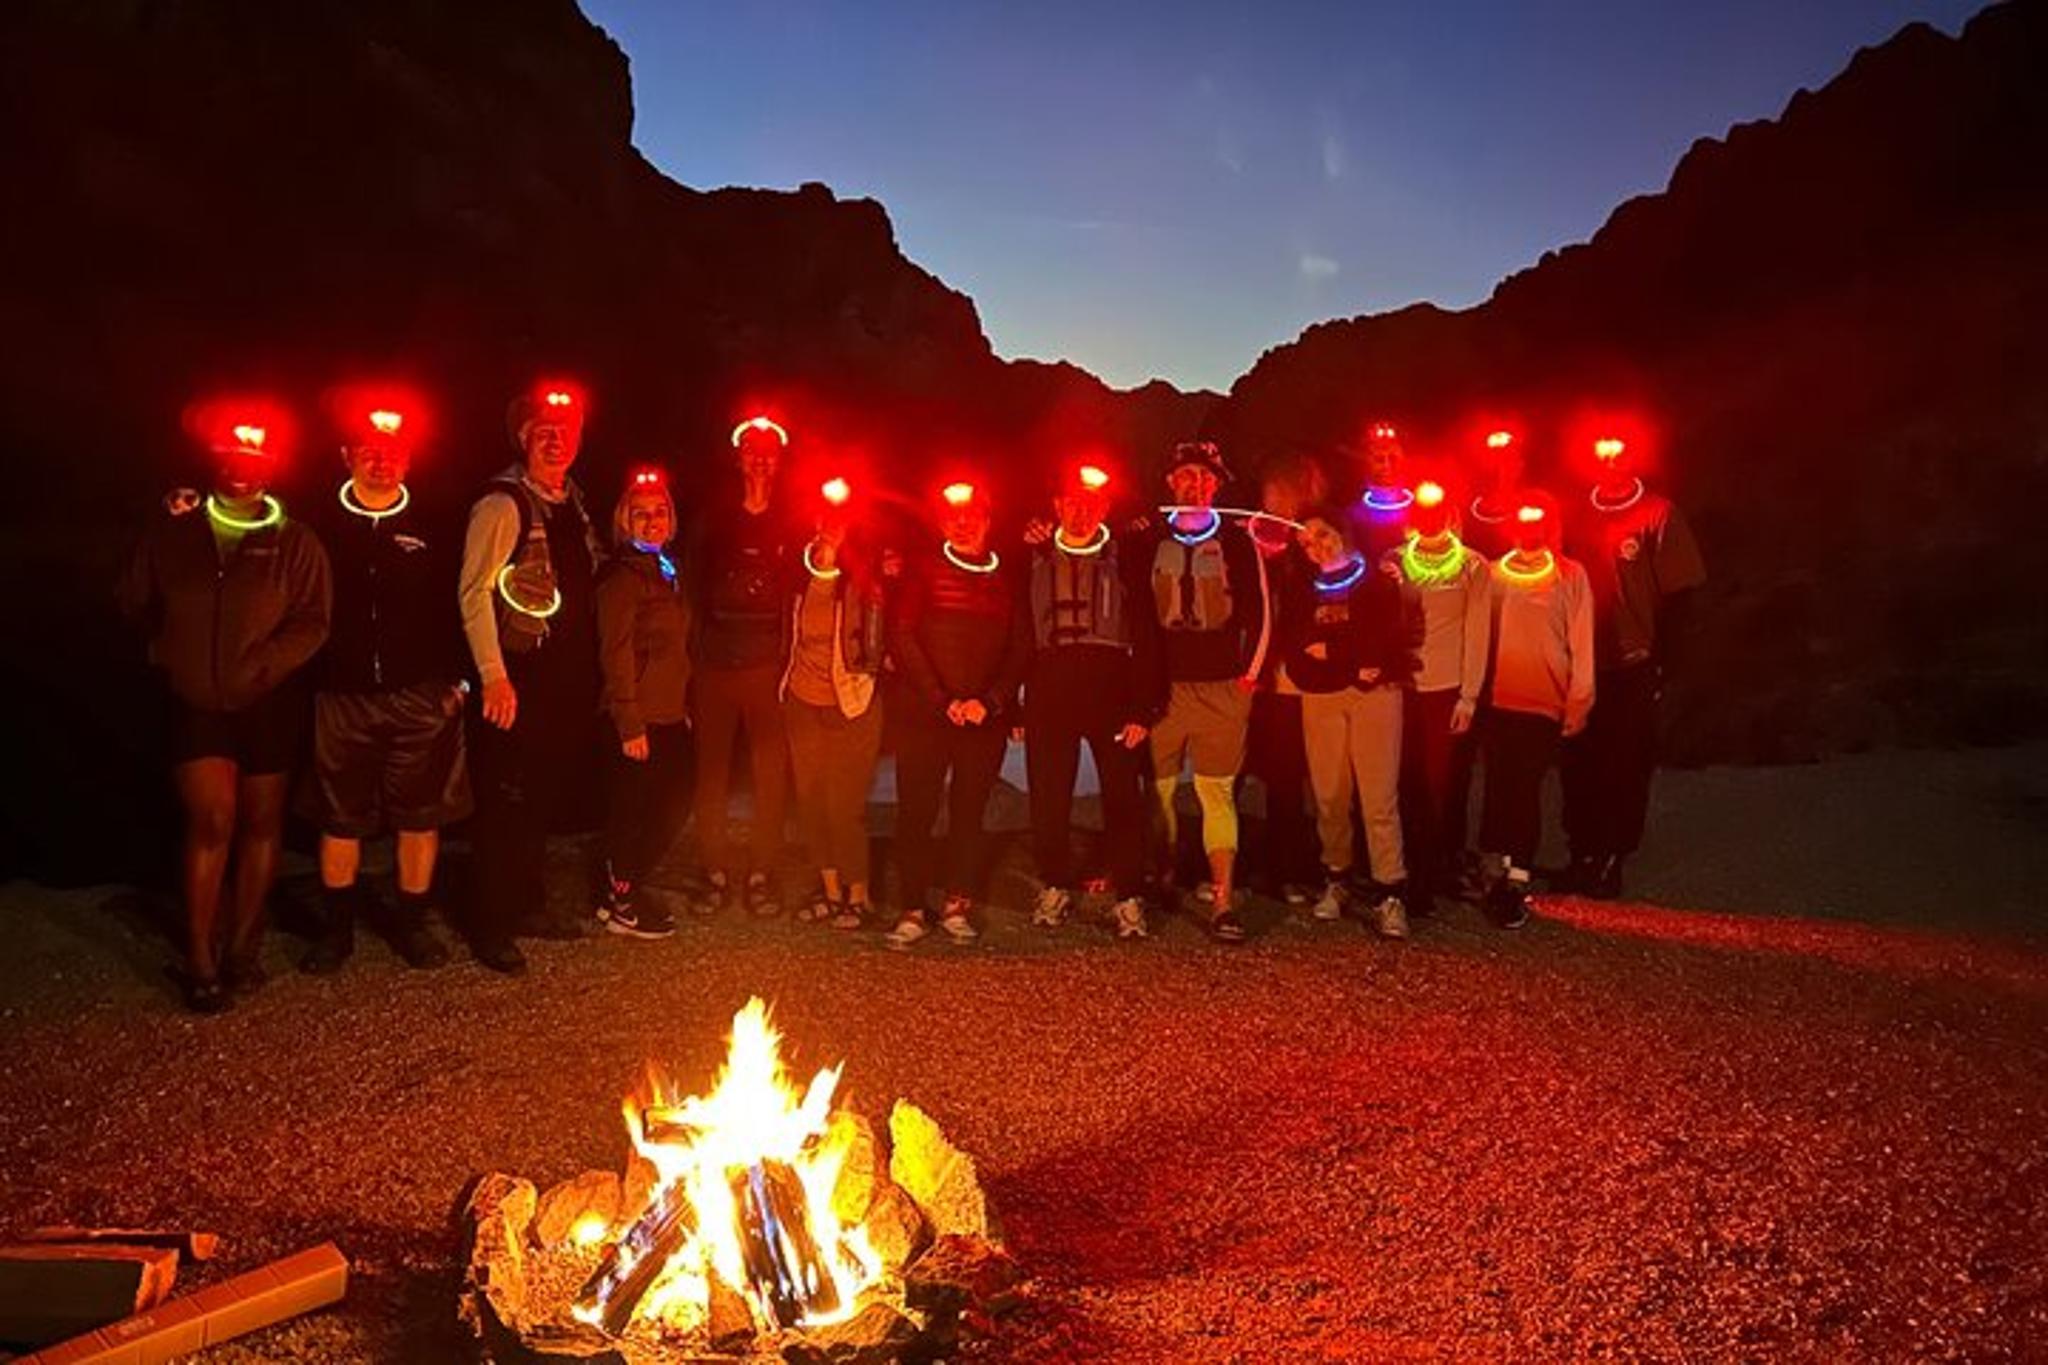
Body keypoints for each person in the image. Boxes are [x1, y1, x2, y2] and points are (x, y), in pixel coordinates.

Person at [121, 404, 330, 1011]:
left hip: (266, 701)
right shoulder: (177, 527)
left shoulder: (294, 540)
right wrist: (170, 647)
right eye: (233, 455)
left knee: (262, 825)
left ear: (272, 467)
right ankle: (200, 956)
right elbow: (134, 598)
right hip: (195, 700)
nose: (243, 467)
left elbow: (315, 618)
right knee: (213, 819)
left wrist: (265, 662)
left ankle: (242, 948)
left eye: (257, 457)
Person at [301, 396, 467, 975]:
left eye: (393, 452)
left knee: (420, 818)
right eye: (369, 451)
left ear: (409, 462)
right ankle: (336, 930)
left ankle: (412, 924)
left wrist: (459, 684)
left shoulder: (434, 526)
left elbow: (458, 605)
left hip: (417, 696)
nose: (381, 461)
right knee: (340, 819)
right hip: (342, 698)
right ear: (347, 456)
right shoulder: (316, 524)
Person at [457, 380, 604, 972]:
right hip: (518, 679)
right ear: (522, 439)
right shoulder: (501, 504)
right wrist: (493, 675)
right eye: (543, 433)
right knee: (506, 801)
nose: (555, 441)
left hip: (563, 681)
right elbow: (473, 594)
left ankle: (526, 903)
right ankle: (490, 924)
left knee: (539, 797)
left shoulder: (573, 500)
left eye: (564, 433)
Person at [885, 480, 1030, 949]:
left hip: (980, 720)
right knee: (917, 813)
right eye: (954, 517)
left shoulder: (1008, 575)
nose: (964, 524)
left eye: (973, 516)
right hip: (925, 715)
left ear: (988, 522)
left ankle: (956, 904)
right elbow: (902, 636)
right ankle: (911, 907)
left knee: (969, 814)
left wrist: (990, 702)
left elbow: (1019, 647)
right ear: (942, 523)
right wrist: (941, 699)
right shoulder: (921, 572)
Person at [1561, 435, 1707, 898]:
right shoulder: (1574, 510)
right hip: (1580, 660)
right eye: (1601, 453)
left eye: (1618, 453)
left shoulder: (1658, 513)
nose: (1610, 462)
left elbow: (1681, 596)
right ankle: (1581, 852)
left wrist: (1667, 664)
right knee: (1578, 762)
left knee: (1625, 764)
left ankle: (1613, 856)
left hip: (1633, 661)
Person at [1022, 463, 1163, 940]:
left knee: (1123, 797)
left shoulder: (1129, 557)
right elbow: (1018, 635)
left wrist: (1143, 708)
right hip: (1049, 686)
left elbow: (1145, 635)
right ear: (1056, 507)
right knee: (1048, 799)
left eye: (1091, 503)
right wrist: (1017, 706)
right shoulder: (1030, 555)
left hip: (1112, 687)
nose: (1080, 512)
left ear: (1104, 508)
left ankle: (1129, 898)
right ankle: (1054, 885)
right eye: (1071, 502)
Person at [1141, 441, 1269, 943]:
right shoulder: (1145, 537)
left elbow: (1260, 612)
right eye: (1185, 476)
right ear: (1171, 483)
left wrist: (1248, 680)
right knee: (1161, 791)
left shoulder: (1240, 543)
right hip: (1164, 690)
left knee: (1216, 794)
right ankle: (1164, 876)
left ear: (1217, 486)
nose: (1195, 485)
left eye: (1205, 477)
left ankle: (1221, 900)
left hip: (1222, 689)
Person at [685, 416, 794, 916]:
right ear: (738, 457)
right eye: (751, 449)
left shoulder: (794, 518)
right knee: (711, 775)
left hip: (768, 669)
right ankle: (714, 870)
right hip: (713, 668)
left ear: (780, 460)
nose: (760, 458)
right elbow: (688, 585)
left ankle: (761, 872)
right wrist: (689, 664)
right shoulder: (713, 516)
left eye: (769, 451)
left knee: (771, 775)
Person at [1286, 515, 1413, 938]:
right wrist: (1354, 658)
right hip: (1321, 699)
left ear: (1341, 530)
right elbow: (1300, 649)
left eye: (1322, 533)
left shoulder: (1377, 581)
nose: (1316, 545)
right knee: (1329, 795)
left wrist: (1337, 652)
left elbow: (1387, 641)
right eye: (1305, 542)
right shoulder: (1302, 589)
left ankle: (1389, 890)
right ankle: (1337, 877)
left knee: (1378, 797)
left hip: (1375, 699)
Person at [1477, 493, 1595, 928]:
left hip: (1543, 701)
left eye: (1538, 520)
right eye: (1521, 520)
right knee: (1498, 785)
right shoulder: (1494, 574)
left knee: (1524, 790)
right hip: (1498, 699)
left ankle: (1517, 875)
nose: (1529, 528)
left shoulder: (1570, 574)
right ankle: (1493, 863)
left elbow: (1581, 641)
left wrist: (1579, 701)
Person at [782, 475, 887, 929]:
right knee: (811, 799)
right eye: (825, 519)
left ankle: (858, 894)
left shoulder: (868, 577)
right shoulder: (796, 573)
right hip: (802, 702)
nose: (831, 527)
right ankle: (828, 890)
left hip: (853, 704)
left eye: (840, 521)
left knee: (845, 805)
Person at [593, 466, 693, 940]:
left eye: (659, 513)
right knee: (634, 812)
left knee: (671, 805)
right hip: (639, 716)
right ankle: (622, 903)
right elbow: (614, 653)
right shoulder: (622, 578)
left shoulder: (666, 568)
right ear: (624, 520)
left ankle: (623, 886)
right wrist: (628, 721)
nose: (651, 522)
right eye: (641, 514)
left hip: (670, 711)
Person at [1386, 478, 1490, 915]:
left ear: (1450, 515)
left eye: (1437, 510)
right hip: (1400, 688)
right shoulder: (1393, 561)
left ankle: (1435, 872)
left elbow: (1478, 631)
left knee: (1439, 785)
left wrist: (1469, 696)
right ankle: (1403, 867)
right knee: (1402, 780)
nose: (1428, 518)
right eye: (1420, 511)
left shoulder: (1472, 565)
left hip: (1446, 690)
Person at [1241, 453, 1324, 908]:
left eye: (1281, 495)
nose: (1271, 503)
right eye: (1268, 495)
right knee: (1236, 773)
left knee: (1288, 778)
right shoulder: (1249, 539)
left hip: (1293, 681)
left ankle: (1286, 868)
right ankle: (1227, 866)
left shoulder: (1310, 545)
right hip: (1251, 676)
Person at [1350, 421, 1416, 562]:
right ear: (1367, 462)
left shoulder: (1424, 501)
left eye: (1393, 457)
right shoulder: (1355, 513)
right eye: (1379, 459)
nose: (1387, 465)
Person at [1465, 429, 1524, 560]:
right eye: (1495, 461)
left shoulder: (1535, 509)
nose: (1501, 468)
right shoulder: (1469, 513)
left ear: (1519, 466)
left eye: (1508, 460)